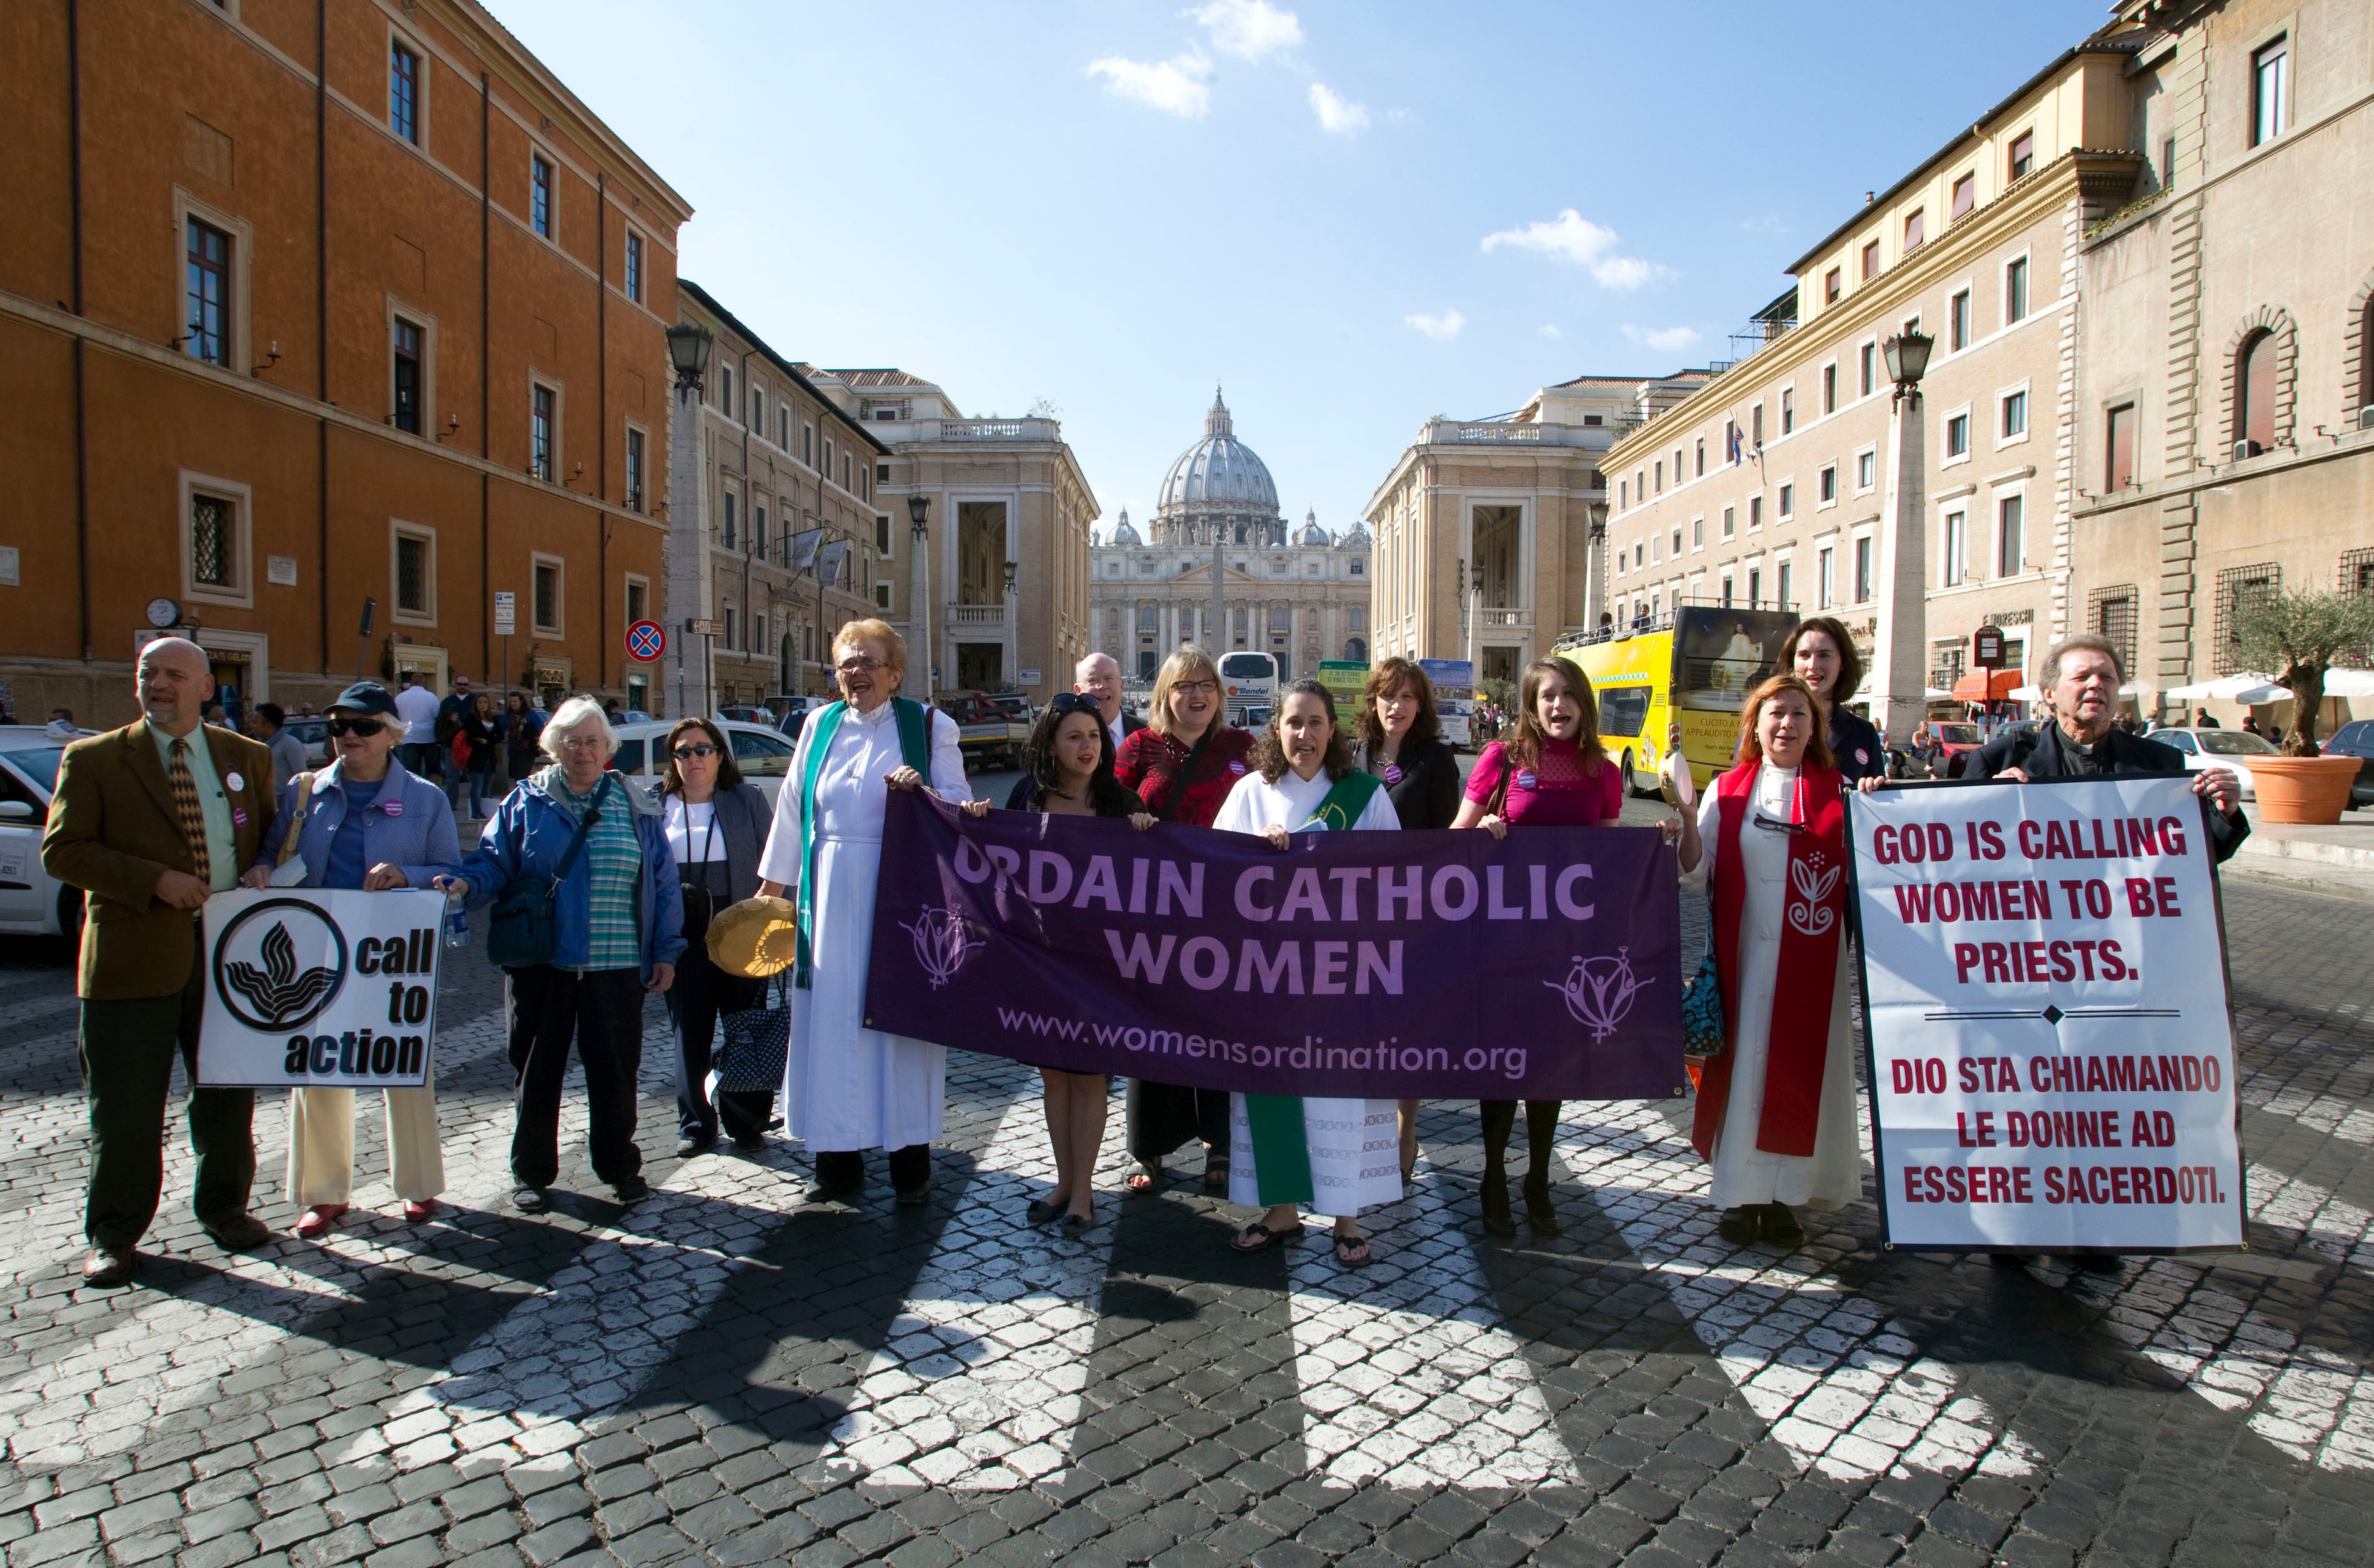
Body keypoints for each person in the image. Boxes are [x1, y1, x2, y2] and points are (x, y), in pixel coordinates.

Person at [40, 637, 280, 1287]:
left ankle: (227, 1208)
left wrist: (267, 863)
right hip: (130, 959)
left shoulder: (245, 757)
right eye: (148, 672)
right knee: (124, 1108)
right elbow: (63, 851)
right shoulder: (93, 758)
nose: (159, 683)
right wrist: (154, 879)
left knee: (228, 1094)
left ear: (208, 687)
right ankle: (114, 1233)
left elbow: (267, 834)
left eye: (175, 673)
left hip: (228, 960)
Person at [436, 698, 683, 1212]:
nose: (584, 751)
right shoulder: (525, 802)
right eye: (572, 742)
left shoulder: (633, 803)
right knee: (537, 1068)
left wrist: (665, 950)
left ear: (608, 749)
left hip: (615, 965)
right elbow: (492, 862)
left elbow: (662, 882)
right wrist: (465, 882)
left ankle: (619, 1165)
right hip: (543, 962)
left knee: (615, 1070)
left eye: (593, 741)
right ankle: (531, 1172)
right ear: (555, 748)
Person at [755, 621, 970, 1205]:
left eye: (868, 662)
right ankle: (836, 1165)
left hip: (899, 895)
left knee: (898, 1028)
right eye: (846, 663)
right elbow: (793, 813)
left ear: (896, 673)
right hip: (824, 896)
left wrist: (920, 791)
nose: (856, 672)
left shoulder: (928, 726)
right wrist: (768, 901)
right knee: (827, 1027)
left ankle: (910, 1169)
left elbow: (957, 809)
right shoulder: (817, 726)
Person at [245, 682, 457, 1235]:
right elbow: (272, 852)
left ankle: (417, 1185)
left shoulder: (426, 798)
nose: (348, 736)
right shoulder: (302, 792)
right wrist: (263, 870)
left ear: (393, 733)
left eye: (363, 726)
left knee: (405, 1067)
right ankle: (324, 1192)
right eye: (339, 725)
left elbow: (454, 873)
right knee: (318, 1072)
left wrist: (406, 876)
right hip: (317, 954)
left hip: (393, 957)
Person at [1213, 680, 1401, 1269]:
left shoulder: (1364, 796)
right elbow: (1211, 874)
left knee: (1339, 1095)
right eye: (1294, 723)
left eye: (1316, 723)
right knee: (1273, 1089)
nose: (1305, 735)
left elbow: (1395, 877)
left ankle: (1346, 1217)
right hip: (1268, 975)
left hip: (1342, 974)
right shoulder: (1249, 793)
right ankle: (1282, 1209)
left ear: (1332, 730)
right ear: (1277, 729)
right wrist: (1255, 854)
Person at [1670, 674, 1859, 1249]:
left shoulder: (1841, 791)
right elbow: (1695, 873)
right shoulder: (1728, 791)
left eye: (1799, 714)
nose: (1787, 724)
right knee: (1747, 1071)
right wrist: (1684, 816)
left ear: (1814, 727)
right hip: (1746, 957)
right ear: (1755, 723)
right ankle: (1739, 1194)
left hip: (1813, 964)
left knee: (1799, 1077)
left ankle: (1785, 1199)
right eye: (1776, 713)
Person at [1451, 655, 1624, 1238]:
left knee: (1550, 1067)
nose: (1558, 706)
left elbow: (1608, 859)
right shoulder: (1501, 758)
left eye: (1569, 694)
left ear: (1584, 702)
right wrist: (1480, 835)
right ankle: (1494, 1174)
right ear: (1531, 702)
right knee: (1502, 1065)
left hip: (1567, 946)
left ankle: (1539, 1178)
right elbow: (1453, 844)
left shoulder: (1601, 767)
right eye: (1547, 695)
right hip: (1503, 943)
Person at [968, 693, 1154, 1231]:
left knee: (1091, 1076)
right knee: (1055, 1076)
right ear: (1051, 743)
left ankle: (1085, 1194)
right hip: (1041, 957)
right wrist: (981, 819)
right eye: (1074, 737)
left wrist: (1147, 829)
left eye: (1094, 736)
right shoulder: (1028, 796)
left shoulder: (1119, 801)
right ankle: (1063, 1180)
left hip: (1098, 961)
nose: (1087, 746)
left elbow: (1151, 876)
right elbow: (997, 858)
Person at [1112, 647, 1256, 1193]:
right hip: (1159, 906)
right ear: (1164, 694)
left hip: (1227, 907)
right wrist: (1133, 817)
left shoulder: (1243, 747)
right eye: (1184, 686)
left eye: (1207, 686)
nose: (1197, 696)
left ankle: (1221, 1142)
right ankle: (1150, 1145)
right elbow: (1108, 803)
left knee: (1220, 1025)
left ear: (1218, 697)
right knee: (1155, 1022)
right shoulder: (1138, 747)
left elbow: (1277, 799)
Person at [1353, 657, 1462, 1186]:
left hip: (1414, 911)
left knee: (1407, 1025)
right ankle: (1362, 1127)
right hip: (1357, 913)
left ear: (1422, 706)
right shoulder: (1353, 757)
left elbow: (1446, 839)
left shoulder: (1437, 760)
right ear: (1373, 701)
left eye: (1408, 697)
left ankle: (1405, 1127)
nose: (1397, 706)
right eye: (1388, 696)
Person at [654, 716, 777, 1155]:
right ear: (673, 760)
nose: (694, 759)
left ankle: (747, 1120)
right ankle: (696, 1124)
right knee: (690, 1030)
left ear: (720, 755)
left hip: (741, 928)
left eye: (702, 749)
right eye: (683, 751)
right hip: (683, 934)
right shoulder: (655, 805)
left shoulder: (746, 800)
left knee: (747, 1027)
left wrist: (779, 925)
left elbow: (776, 864)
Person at [1778, 616, 1885, 786]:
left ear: (1842, 663)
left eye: (1824, 655)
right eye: (1804, 655)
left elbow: (1878, 803)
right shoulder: (1768, 726)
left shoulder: (1864, 733)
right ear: (1792, 662)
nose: (1813, 665)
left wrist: (1876, 788)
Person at [1073, 651, 1145, 757]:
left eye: (1109, 678)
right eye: (1093, 680)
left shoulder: (1148, 732)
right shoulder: (1066, 735)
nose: (1102, 686)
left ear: (1121, 685)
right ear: (1078, 690)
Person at [434, 675, 477, 813]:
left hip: (472, 742)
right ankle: (451, 803)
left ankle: (477, 804)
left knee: (477, 775)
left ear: (469, 686)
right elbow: (439, 722)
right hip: (451, 743)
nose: (463, 687)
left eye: (465, 684)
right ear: (455, 685)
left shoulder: (475, 700)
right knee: (452, 776)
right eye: (460, 684)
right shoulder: (448, 702)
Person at [455, 692, 498, 820]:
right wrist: (481, 737)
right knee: (477, 785)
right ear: (476, 705)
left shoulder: (493, 718)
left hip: (490, 756)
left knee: (487, 787)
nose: (483, 705)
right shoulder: (471, 717)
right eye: (480, 703)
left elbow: (499, 735)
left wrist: (488, 739)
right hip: (476, 757)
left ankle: (486, 812)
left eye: (485, 702)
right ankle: (476, 812)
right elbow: (469, 733)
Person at [251, 703, 310, 788]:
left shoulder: (290, 744)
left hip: (284, 800)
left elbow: (302, 778)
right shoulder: (260, 745)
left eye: (255, 723)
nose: (252, 726)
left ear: (268, 726)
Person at [394, 672, 440, 777]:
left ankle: (413, 792)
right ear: (424, 682)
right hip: (429, 736)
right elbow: (437, 715)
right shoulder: (431, 697)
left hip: (409, 737)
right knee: (432, 769)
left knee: (412, 771)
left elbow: (397, 716)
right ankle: (432, 791)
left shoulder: (400, 697)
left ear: (411, 682)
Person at [499, 692, 544, 788]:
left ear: (521, 702)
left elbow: (540, 727)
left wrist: (526, 728)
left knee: (523, 776)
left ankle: (524, 796)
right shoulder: (509, 715)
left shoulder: (530, 714)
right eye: (511, 701)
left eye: (515, 701)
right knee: (515, 774)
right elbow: (500, 727)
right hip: (513, 749)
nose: (512, 704)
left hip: (526, 750)